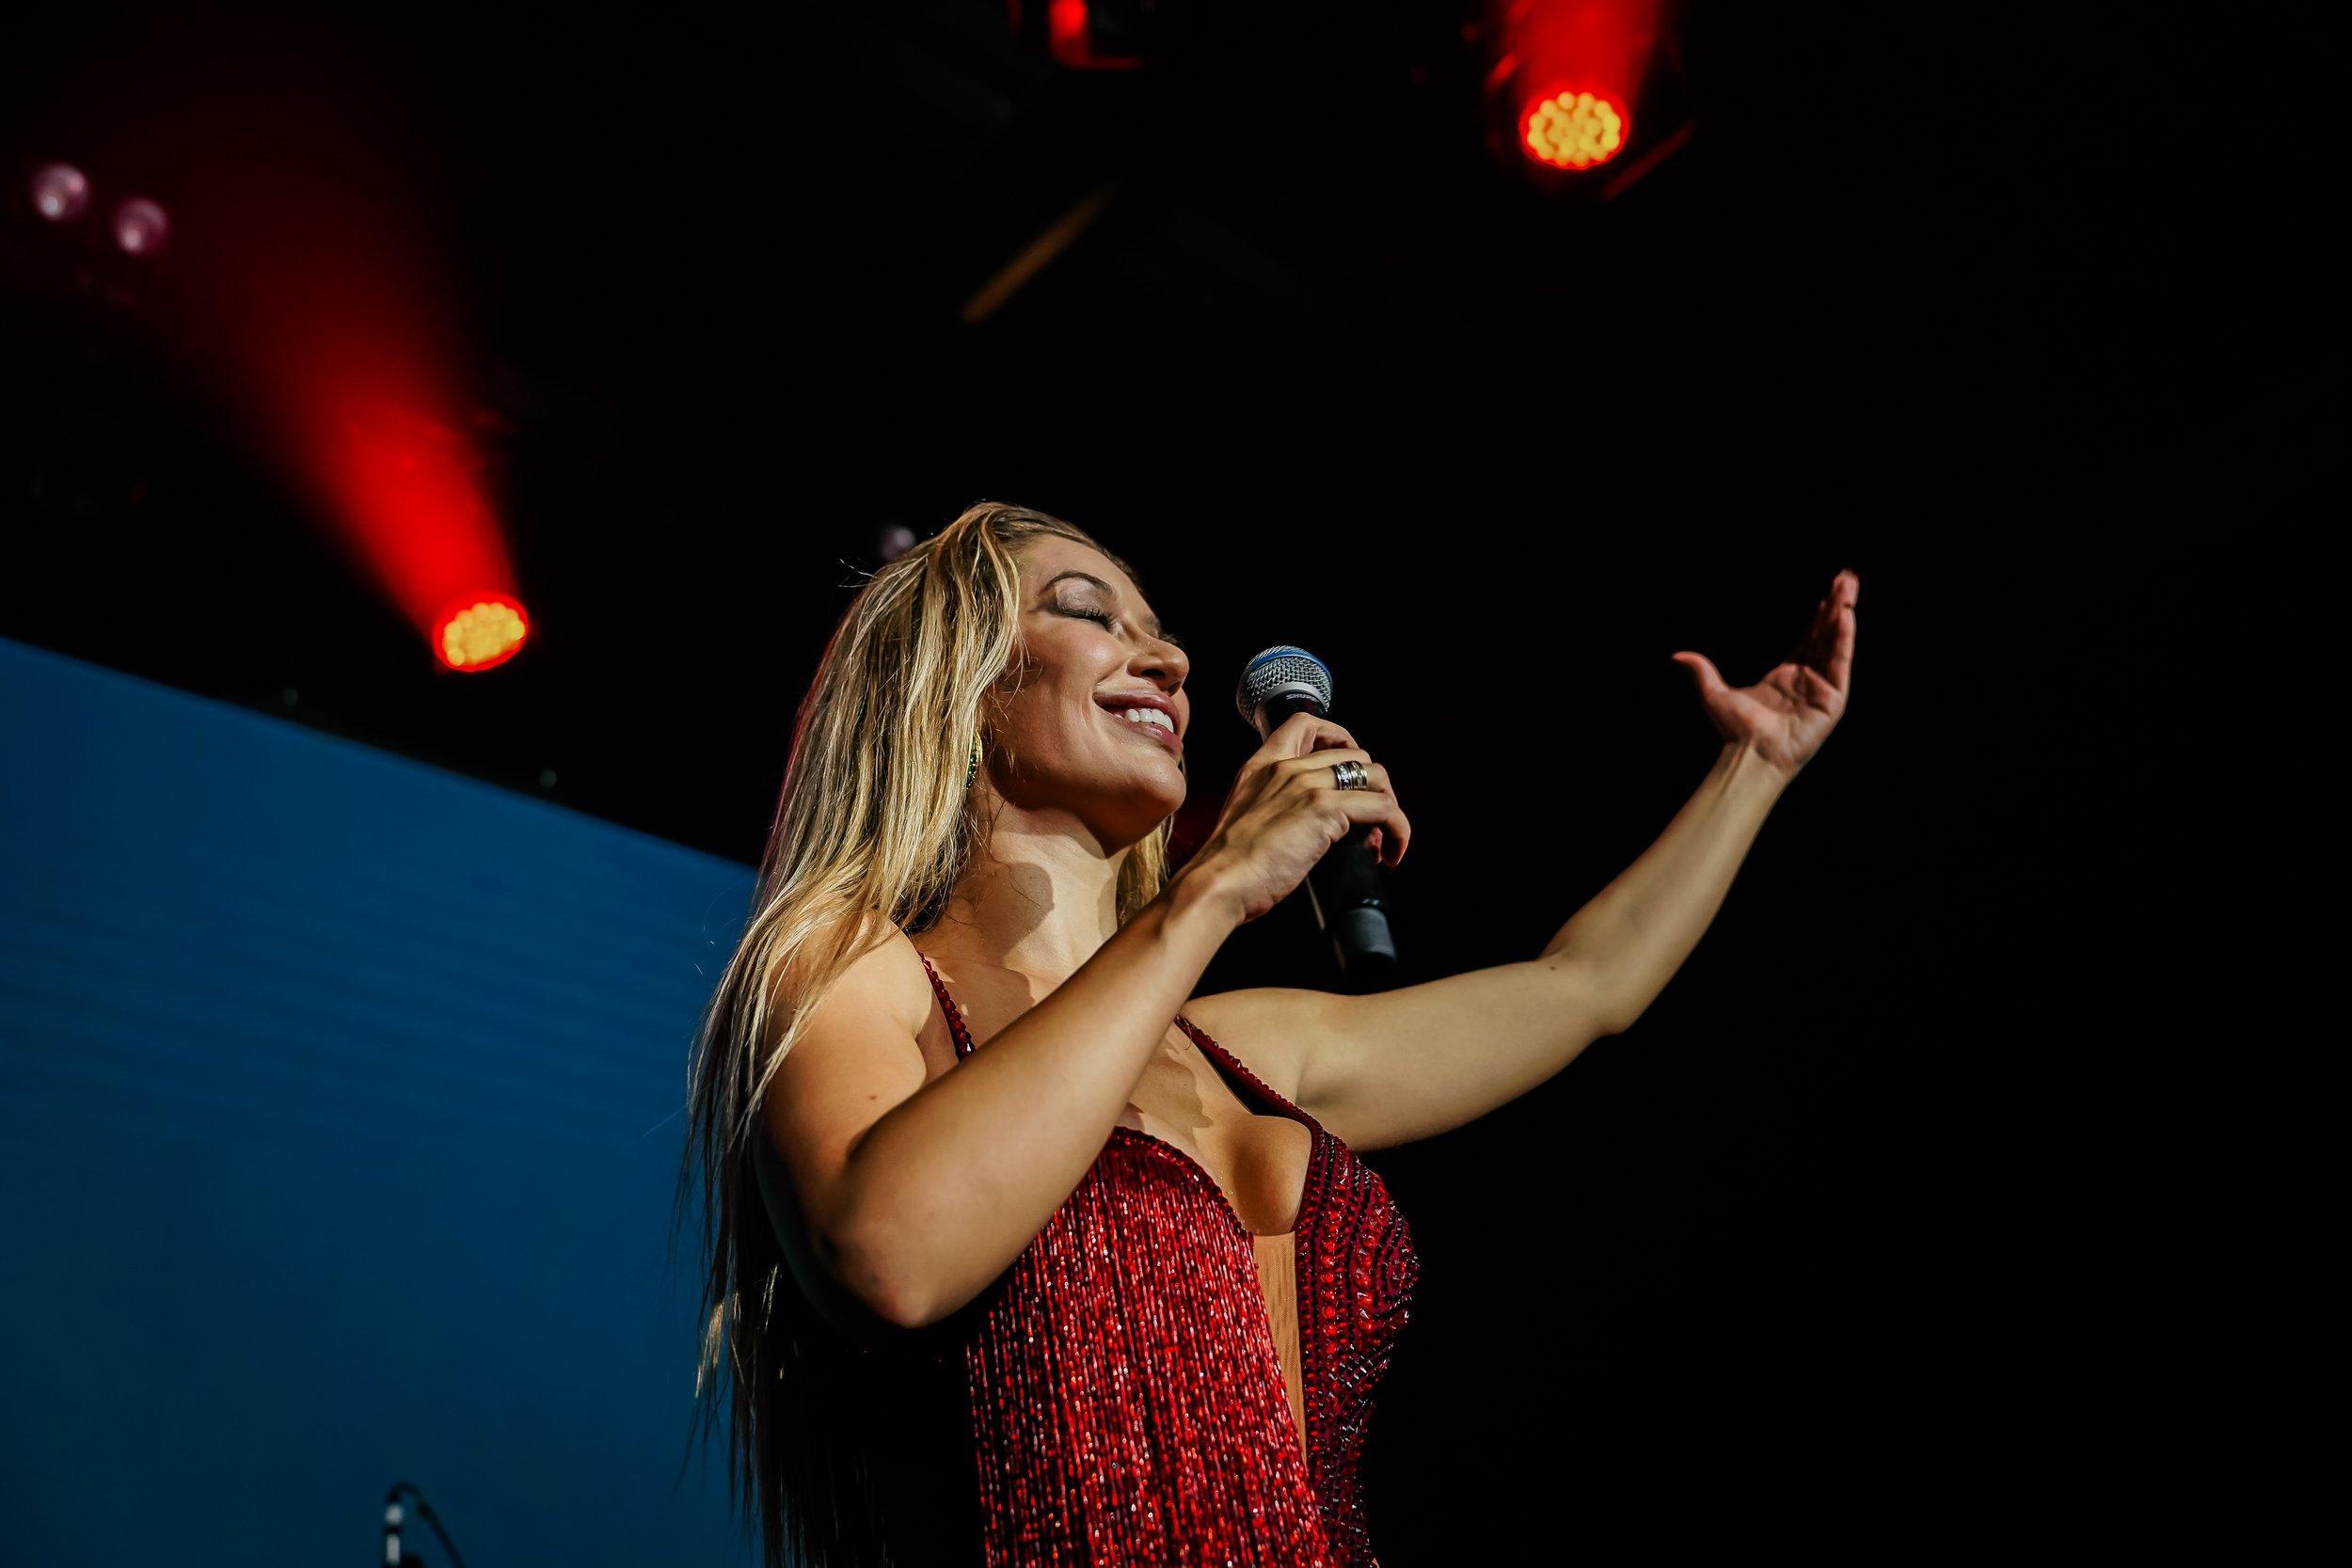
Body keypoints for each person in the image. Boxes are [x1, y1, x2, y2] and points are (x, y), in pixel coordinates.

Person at [681, 501, 1858, 1567]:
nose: (1174, 660)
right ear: (954, 683)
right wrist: (1212, 891)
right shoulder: (851, 960)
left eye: (1163, 632)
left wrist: (1753, 765)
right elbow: (887, 1254)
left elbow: (1583, 983)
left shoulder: (1241, 1049)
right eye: (1088, 612)